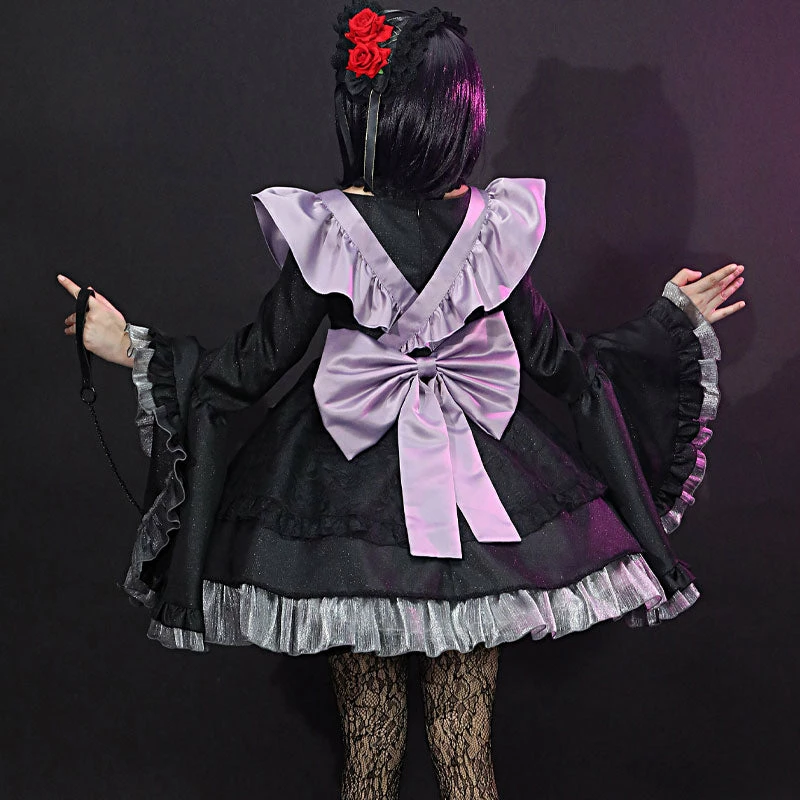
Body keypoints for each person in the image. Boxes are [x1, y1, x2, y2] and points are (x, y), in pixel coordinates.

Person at [57, 4, 746, 799]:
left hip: (343, 506)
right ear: (458, 115)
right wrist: (669, 325)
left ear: (367, 116)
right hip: (478, 510)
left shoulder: (334, 230)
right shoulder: (493, 229)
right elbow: (571, 372)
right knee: (462, 748)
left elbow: (238, 374)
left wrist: (135, 346)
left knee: (372, 752)